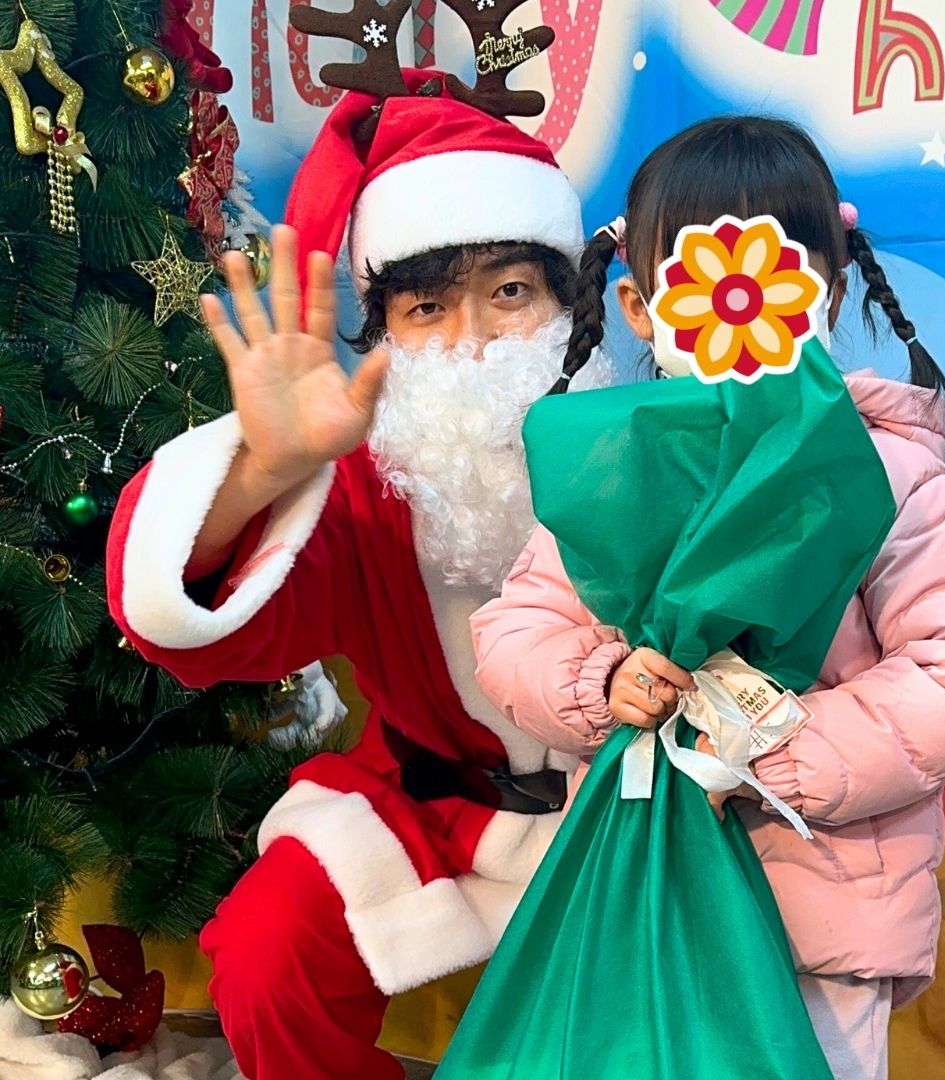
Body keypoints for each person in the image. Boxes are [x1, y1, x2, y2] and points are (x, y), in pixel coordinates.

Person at [470, 116, 945, 1080]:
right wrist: (599, 679)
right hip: (642, 893)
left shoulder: (882, 475)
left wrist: (784, 745)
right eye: (703, 277)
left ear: (827, 287)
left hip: (819, 911)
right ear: (642, 307)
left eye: (771, 266)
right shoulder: (611, 472)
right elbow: (517, 627)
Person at [104, 56, 612, 1080]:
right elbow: (198, 625)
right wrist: (264, 470)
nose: (469, 342)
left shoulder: (649, 449)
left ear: (571, 303)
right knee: (263, 957)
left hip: (623, 821)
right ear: (383, 333)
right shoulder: (373, 486)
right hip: (431, 809)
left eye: (509, 293)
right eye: (426, 310)